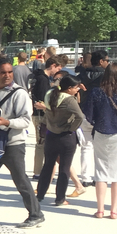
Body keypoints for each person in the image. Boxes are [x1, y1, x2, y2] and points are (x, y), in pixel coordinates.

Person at [0, 57, 45, 227]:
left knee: (21, 180)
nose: (7, 76)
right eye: (3, 72)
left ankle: (36, 214)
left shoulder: (19, 93)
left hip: (13, 145)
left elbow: (25, 121)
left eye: (10, 72)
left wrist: (6, 122)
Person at [35, 75, 85, 206]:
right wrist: (72, 128)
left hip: (51, 134)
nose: (76, 90)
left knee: (48, 165)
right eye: (75, 88)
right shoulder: (69, 100)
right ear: (69, 89)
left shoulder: (51, 94)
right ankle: (60, 198)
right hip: (66, 136)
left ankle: (40, 194)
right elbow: (80, 116)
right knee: (64, 167)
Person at [86, 62, 117, 219]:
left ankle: (100, 209)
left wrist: (98, 122)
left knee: (100, 171)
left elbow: (89, 114)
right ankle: (114, 210)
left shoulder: (96, 92)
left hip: (101, 133)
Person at [76, 49, 109, 188]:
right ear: (101, 61)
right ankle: (99, 176)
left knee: (86, 146)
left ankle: (85, 177)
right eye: (107, 60)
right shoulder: (106, 75)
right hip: (101, 113)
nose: (108, 62)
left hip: (84, 111)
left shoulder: (81, 74)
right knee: (101, 147)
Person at [30, 57, 63, 177]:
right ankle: (38, 172)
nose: (58, 71)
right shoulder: (42, 80)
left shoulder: (39, 77)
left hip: (38, 114)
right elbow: (44, 99)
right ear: (53, 65)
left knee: (42, 143)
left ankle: (39, 170)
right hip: (41, 115)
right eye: (58, 68)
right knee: (41, 143)